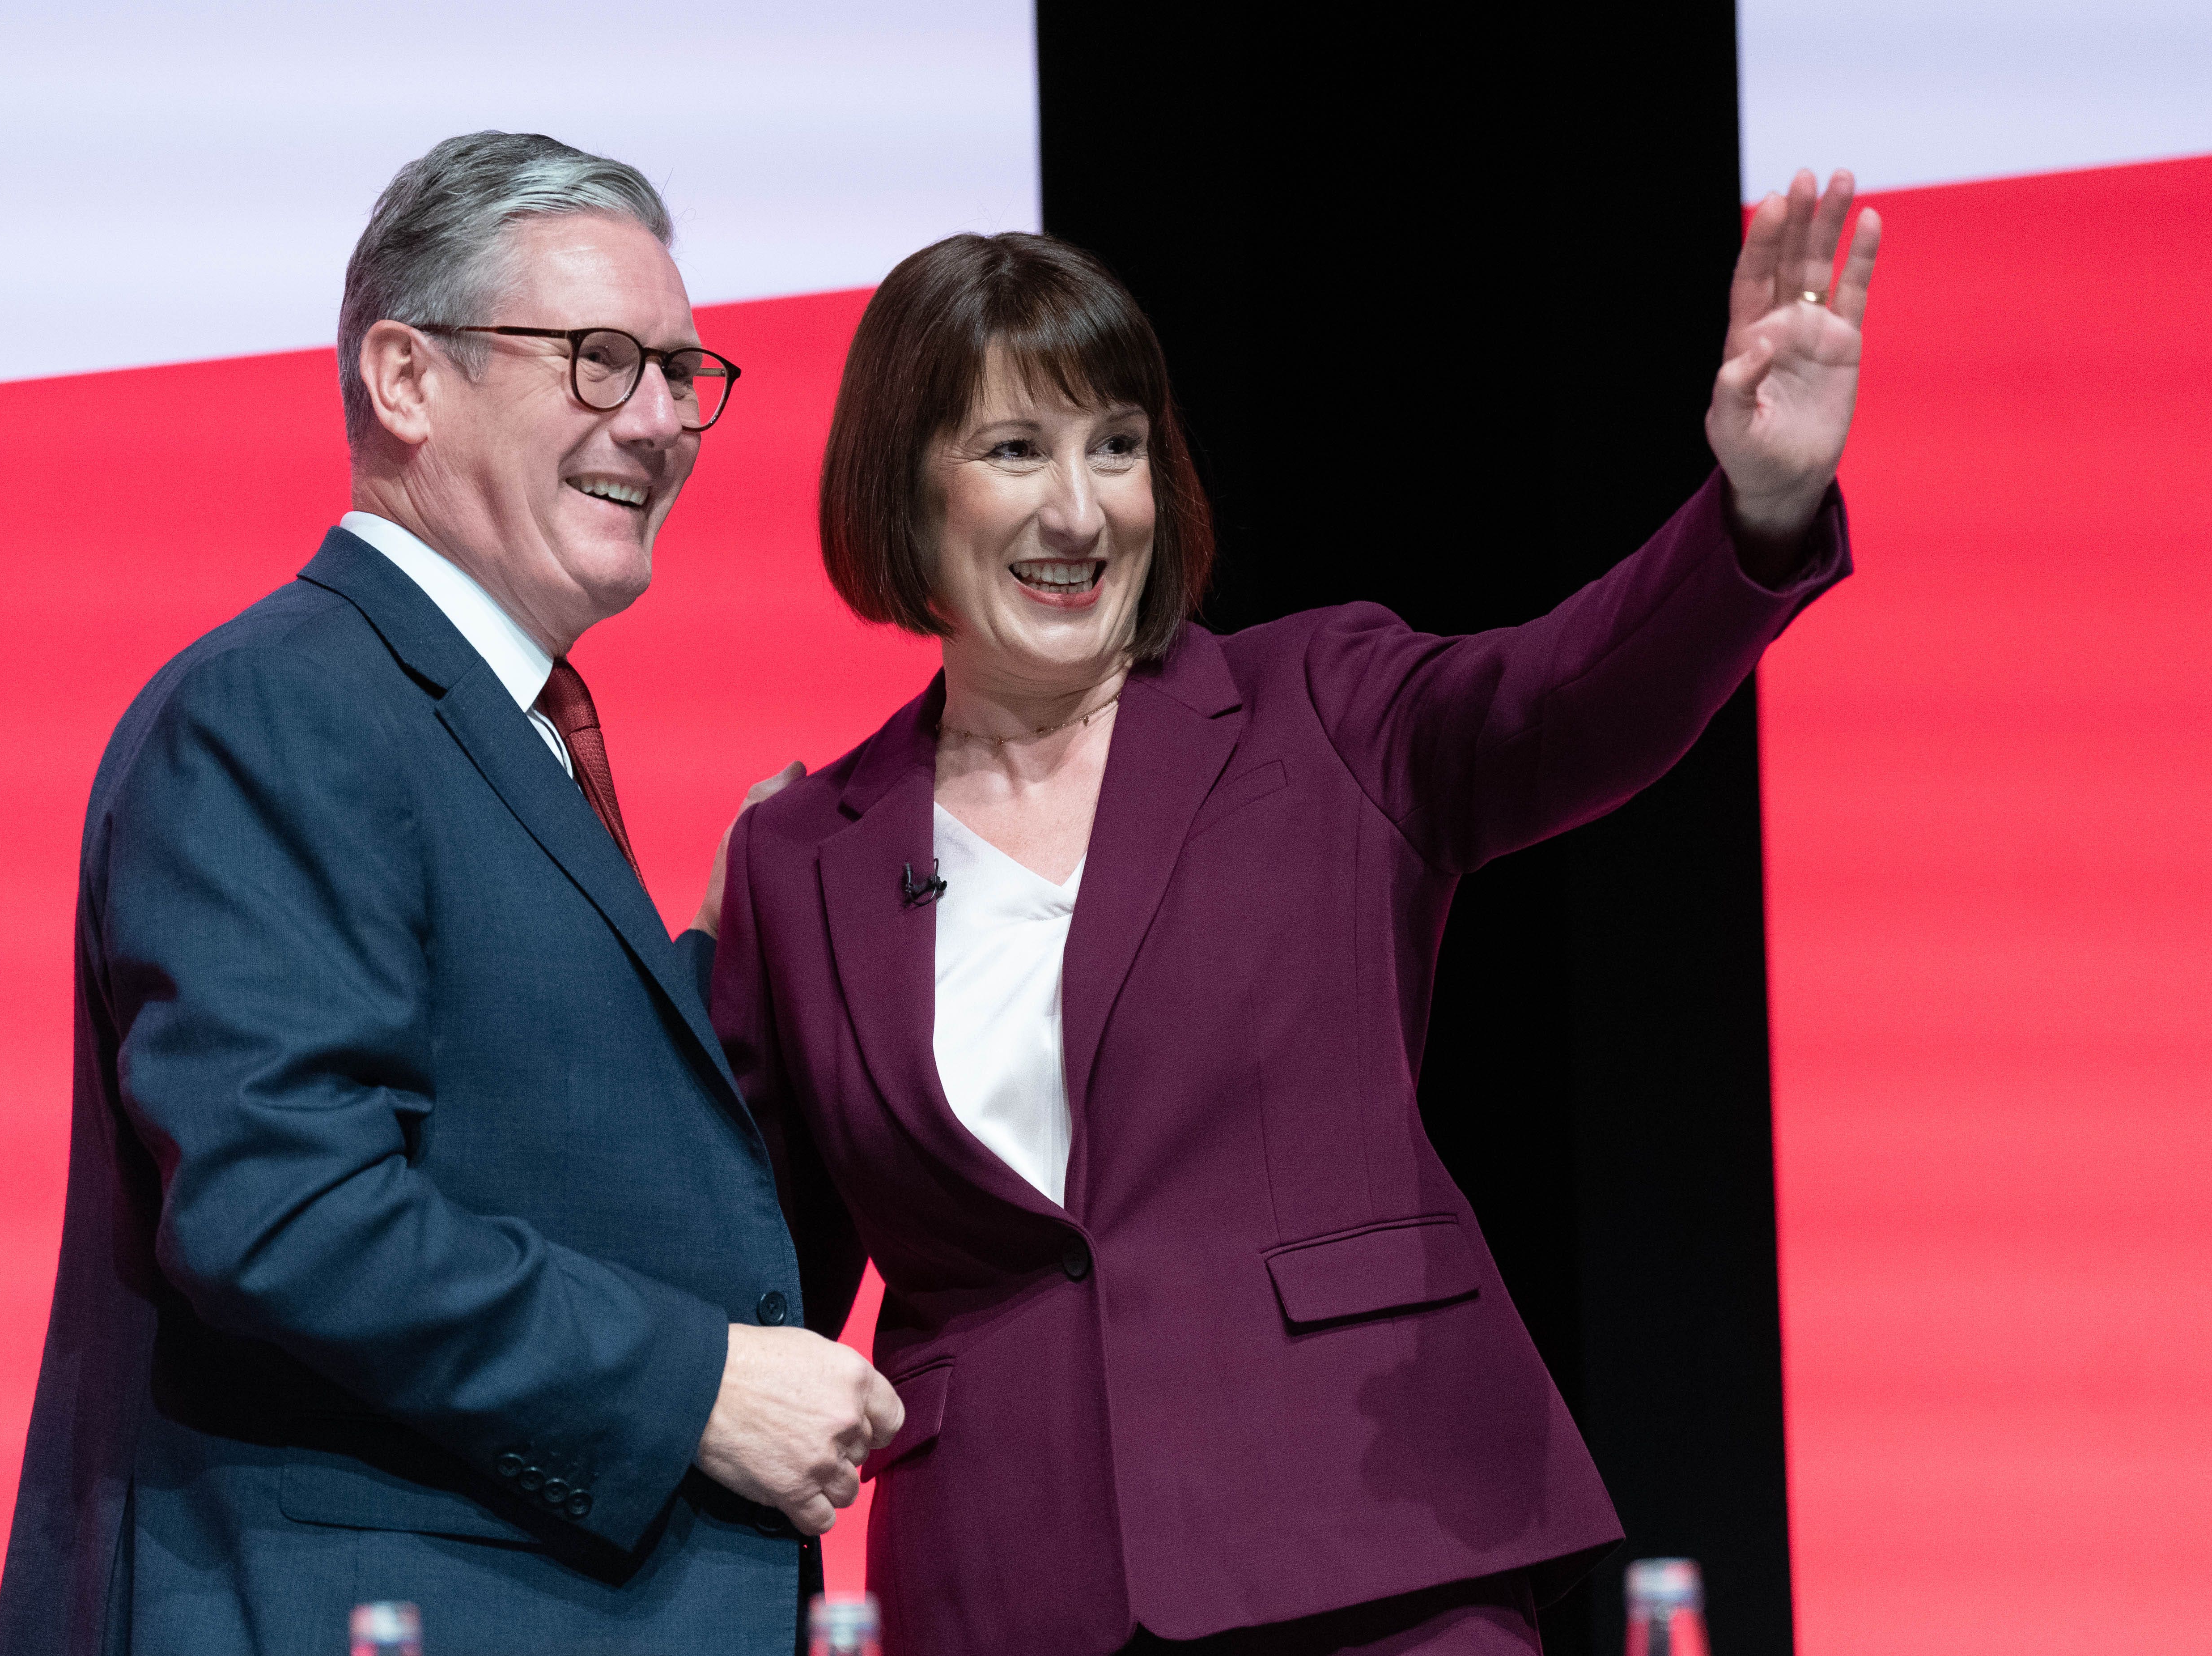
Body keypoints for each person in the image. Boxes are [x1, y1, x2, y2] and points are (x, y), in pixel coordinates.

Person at [706, 171, 1877, 1654]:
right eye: (1017, 450)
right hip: (1010, 1587)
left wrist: (1756, 514)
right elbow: (754, 1298)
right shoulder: (801, 857)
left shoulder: (1317, 710)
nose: (1081, 509)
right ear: (904, 488)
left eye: (1116, 446)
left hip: (1375, 1550)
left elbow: (1572, 699)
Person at [0, 132, 899, 1656]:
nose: (665, 420)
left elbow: (545, 1142)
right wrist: (697, 1389)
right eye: (603, 360)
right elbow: (288, 1209)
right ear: (405, 378)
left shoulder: (488, 730)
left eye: (686, 374)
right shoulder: (283, 708)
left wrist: (735, 966)